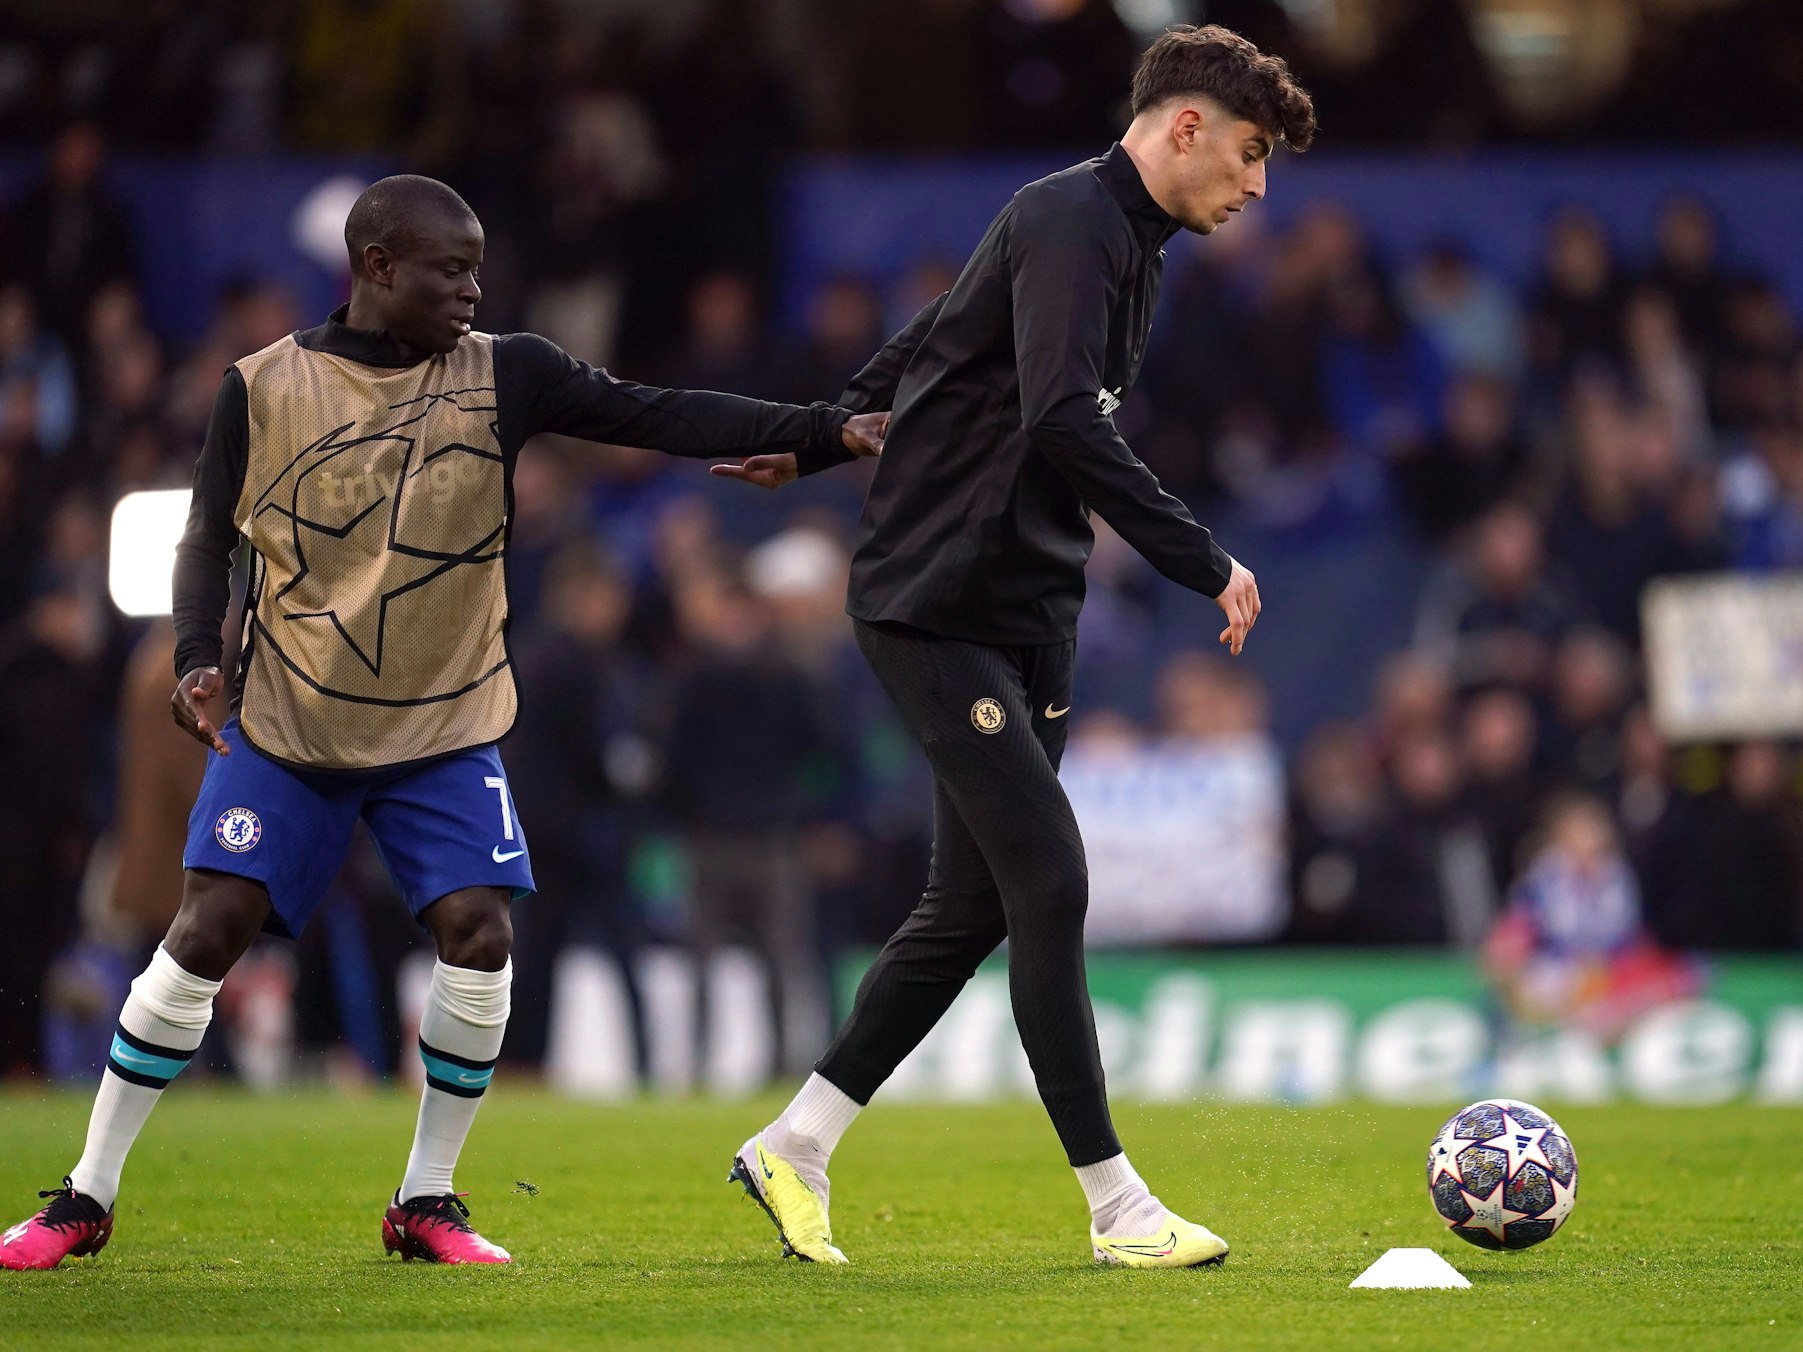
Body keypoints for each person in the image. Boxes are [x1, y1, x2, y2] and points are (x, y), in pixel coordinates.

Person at [0, 174, 887, 1272]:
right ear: (376, 266)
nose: (473, 290)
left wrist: (822, 435)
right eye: (450, 269)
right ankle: (85, 1194)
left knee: (480, 932)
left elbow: (653, 410)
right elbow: (204, 540)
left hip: (444, 725)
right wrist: (194, 654)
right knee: (207, 929)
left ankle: (426, 1197)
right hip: (292, 721)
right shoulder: (262, 385)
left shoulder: (506, 371)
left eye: (478, 269)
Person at [724, 25, 1312, 1269]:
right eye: (1252, 152)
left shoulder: (1128, 244)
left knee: (971, 904)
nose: (1258, 186)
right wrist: (1201, 555)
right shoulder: (1067, 219)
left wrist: (821, 435)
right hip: (936, 598)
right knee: (1050, 877)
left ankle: (796, 1142)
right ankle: (1118, 1205)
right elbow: (1056, 415)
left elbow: (939, 339)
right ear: (1187, 127)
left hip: (1032, 608)